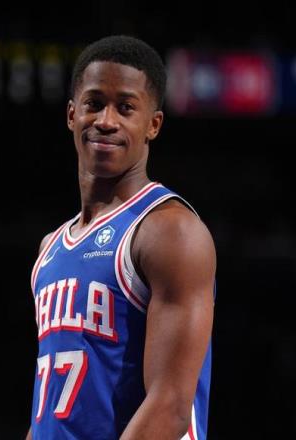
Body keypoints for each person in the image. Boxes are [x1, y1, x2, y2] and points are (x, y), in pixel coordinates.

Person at [25, 35, 216, 440]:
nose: (106, 120)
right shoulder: (50, 249)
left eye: (125, 107)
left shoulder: (170, 231)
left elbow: (170, 406)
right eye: (94, 104)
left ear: (153, 125)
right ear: (72, 114)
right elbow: (49, 414)